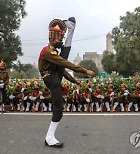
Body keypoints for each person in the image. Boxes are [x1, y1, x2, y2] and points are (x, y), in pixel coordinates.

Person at [38, 17, 95, 148]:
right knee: (58, 108)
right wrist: (85, 71)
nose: (60, 41)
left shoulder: (53, 51)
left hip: (54, 77)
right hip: (51, 80)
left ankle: (71, 31)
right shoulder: (48, 52)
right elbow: (65, 64)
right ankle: (49, 137)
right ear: (53, 38)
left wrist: (75, 81)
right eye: (59, 38)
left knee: (64, 53)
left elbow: (62, 70)